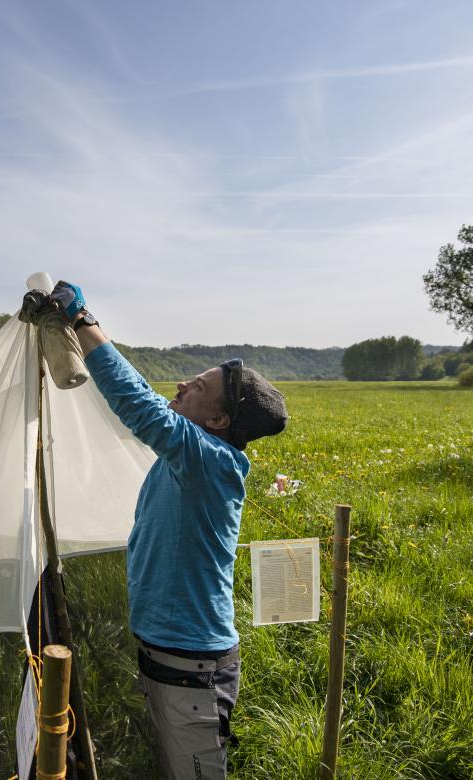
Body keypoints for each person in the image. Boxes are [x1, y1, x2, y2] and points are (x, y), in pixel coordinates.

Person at [22, 282, 288, 780]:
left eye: (200, 387)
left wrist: (81, 319)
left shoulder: (210, 461)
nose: (185, 384)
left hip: (192, 668)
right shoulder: (187, 456)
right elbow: (130, 405)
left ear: (220, 419)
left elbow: (136, 402)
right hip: (168, 657)